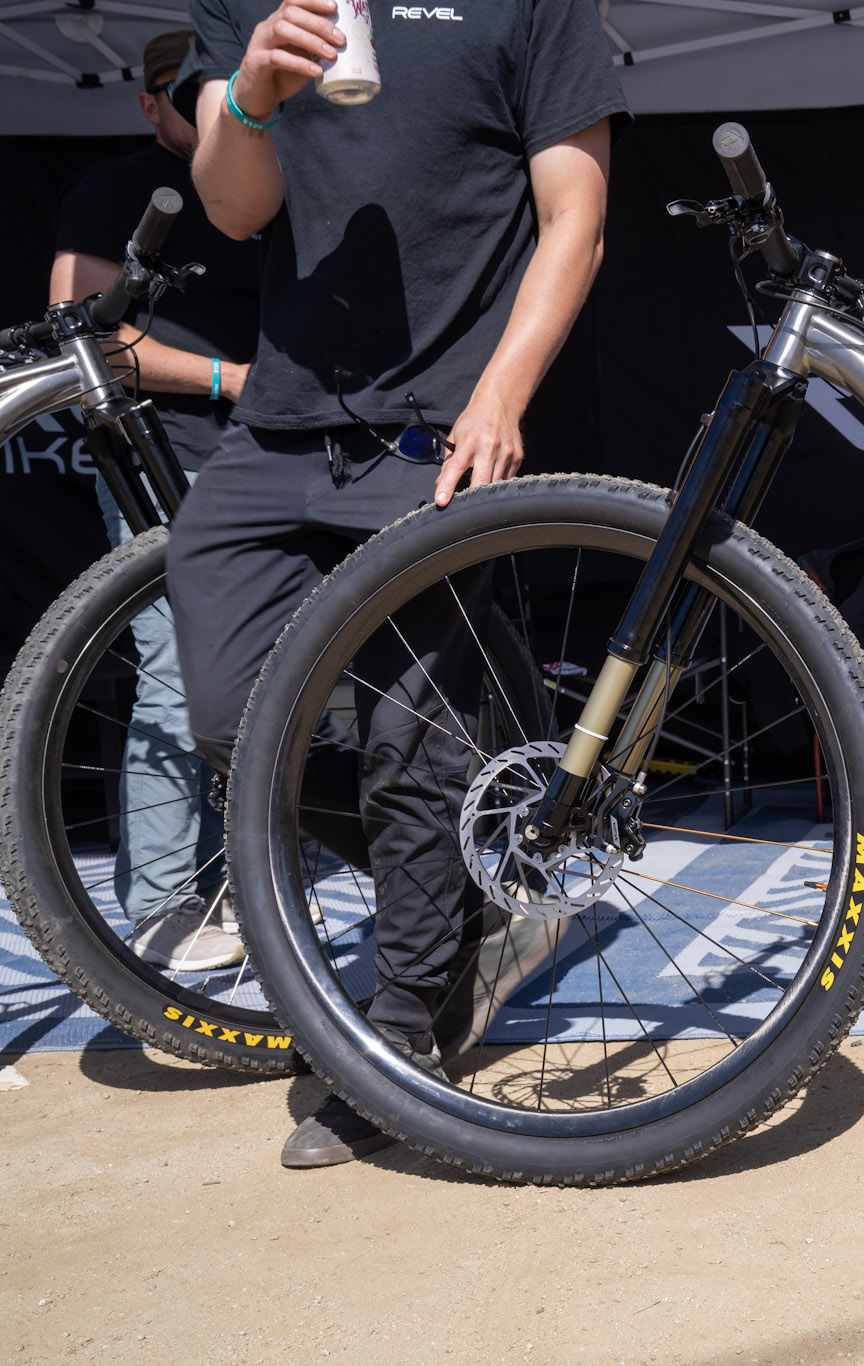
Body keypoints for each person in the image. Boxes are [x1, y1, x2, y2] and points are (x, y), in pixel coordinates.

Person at [173, 0, 625, 1168]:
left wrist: (501, 394)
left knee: (408, 748)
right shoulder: (255, 7)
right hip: (275, 428)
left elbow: (574, 218)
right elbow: (232, 208)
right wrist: (251, 92)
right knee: (229, 724)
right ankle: (472, 888)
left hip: (434, 432)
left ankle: (400, 1037)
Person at [49, 29, 262, 972]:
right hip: (161, 458)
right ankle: (166, 909)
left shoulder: (265, 181)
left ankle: (239, 887)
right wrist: (229, 379)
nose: (202, 99)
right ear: (150, 104)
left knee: (261, 683)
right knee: (179, 675)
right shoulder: (119, 187)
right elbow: (80, 334)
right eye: (184, 88)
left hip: (267, 465)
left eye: (218, 82)